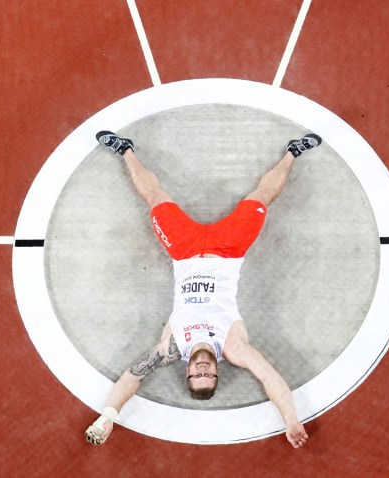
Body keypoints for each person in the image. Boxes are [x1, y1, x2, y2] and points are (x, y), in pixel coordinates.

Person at [85, 129, 321, 449]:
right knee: (261, 197)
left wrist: (107, 417)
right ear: (216, 374)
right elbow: (270, 378)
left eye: (197, 375)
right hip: (229, 250)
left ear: (188, 374)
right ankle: (292, 153)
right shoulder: (233, 348)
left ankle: (126, 151)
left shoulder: (172, 347)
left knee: (155, 198)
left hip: (183, 252)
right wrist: (291, 420)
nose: (203, 369)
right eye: (209, 375)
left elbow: (133, 376)